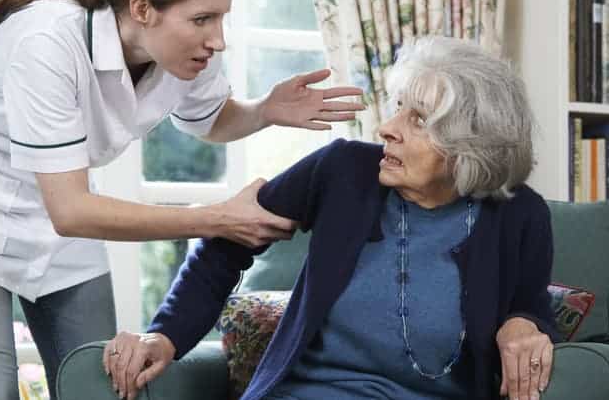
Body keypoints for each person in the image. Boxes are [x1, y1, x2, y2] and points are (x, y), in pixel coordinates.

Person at [0, 0, 365, 400]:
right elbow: (72, 210)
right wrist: (217, 219)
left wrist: (265, 111)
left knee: (102, 388)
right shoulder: (46, 42)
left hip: (61, 219)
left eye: (221, 18)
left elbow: (211, 120)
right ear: (142, 9)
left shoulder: (182, 52)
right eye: (203, 19)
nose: (218, 39)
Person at [106, 36, 561, 400]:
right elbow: (225, 244)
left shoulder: (519, 216)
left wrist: (525, 321)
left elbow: (530, 306)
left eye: (418, 119)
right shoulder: (343, 171)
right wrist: (164, 335)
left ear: (471, 145)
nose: (388, 126)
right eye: (398, 106)